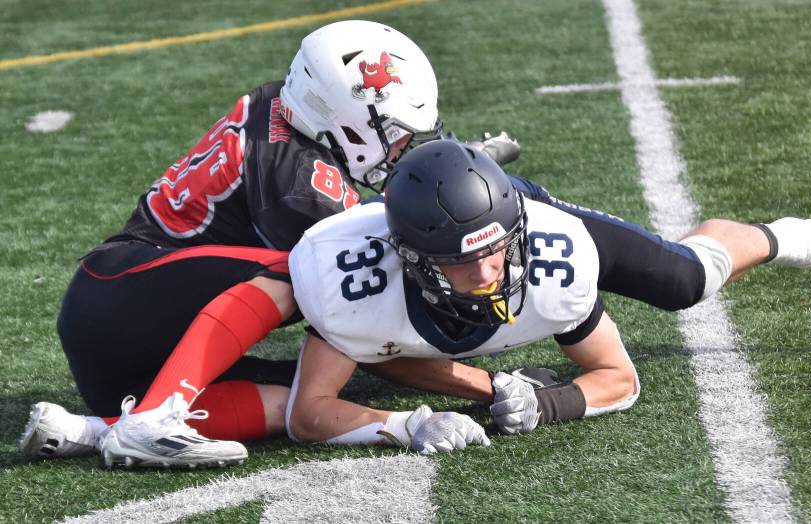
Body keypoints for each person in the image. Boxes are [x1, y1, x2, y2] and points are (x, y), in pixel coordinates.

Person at [17, 20, 518, 469]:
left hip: (133, 332)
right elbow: (361, 321)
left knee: (299, 394)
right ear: (344, 120)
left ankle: (94, 428)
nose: (401, 146)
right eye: (393, 133)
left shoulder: (288, 108)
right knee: (310, 276)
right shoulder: (300, 187)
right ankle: (155, 416)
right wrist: (488, 385)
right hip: (119, 300)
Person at [279, 138, 811, 453]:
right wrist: (405, 425)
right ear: (412, 257)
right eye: (465, 262)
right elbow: (310, 412)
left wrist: (550, 403)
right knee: (384, 349)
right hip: (417, 236)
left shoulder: (549, 259)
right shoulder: (354, 280)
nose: (492, 272)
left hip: (515, 205)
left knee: (685, 280)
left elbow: (618, 377)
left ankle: (789, 236)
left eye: (498, 251)